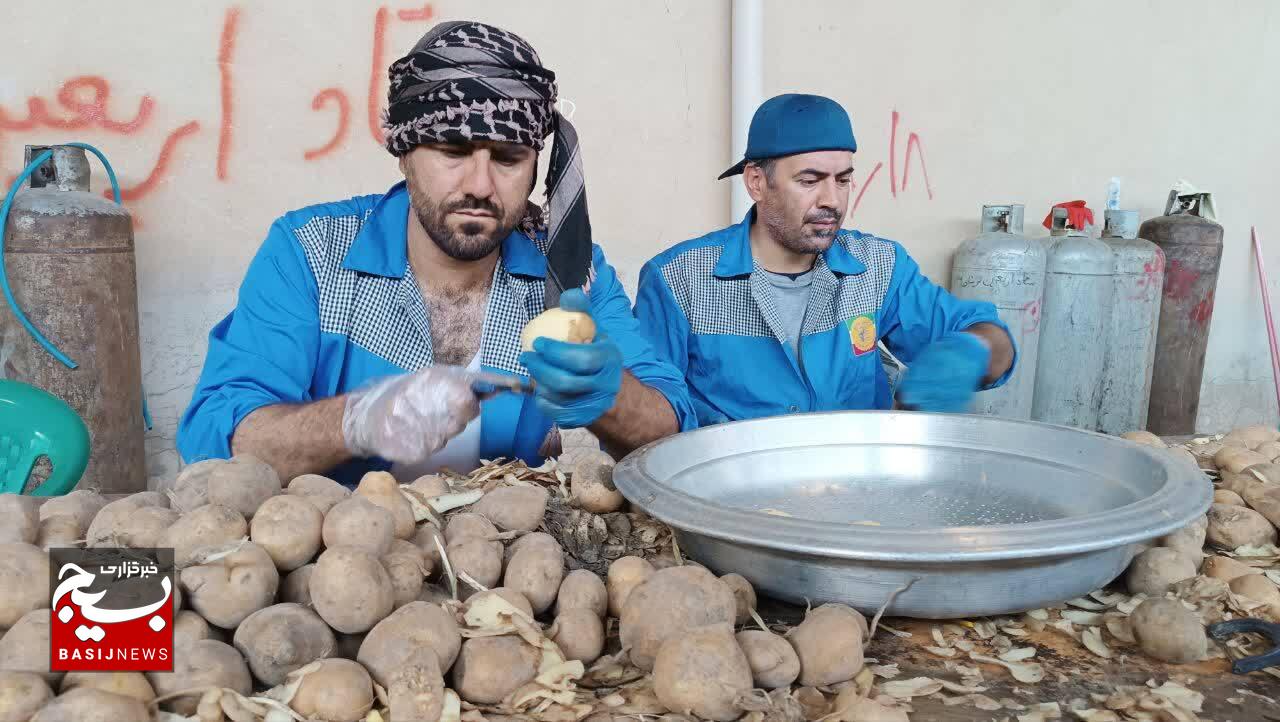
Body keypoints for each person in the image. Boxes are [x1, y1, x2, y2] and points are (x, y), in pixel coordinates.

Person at [177, 21, 694, 485]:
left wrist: (612, 396)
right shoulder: (310, 252)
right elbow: (215, 438)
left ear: (536, 167)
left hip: (505, 567)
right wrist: (355, 421)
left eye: (510, 159)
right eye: (454, 152)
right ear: (404, 151)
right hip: (342, 560)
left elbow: (672, 427)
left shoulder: (570, 273)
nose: (481, 186)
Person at [632, 94, 1015, 426]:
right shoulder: (680, 281)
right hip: (727, 500)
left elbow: (991, 338)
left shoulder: (878, 268)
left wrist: (974, 352)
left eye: (843, 180)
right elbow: (649, 420)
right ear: (756, 183)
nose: (832, 200)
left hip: (856, 497)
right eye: (810, 180)